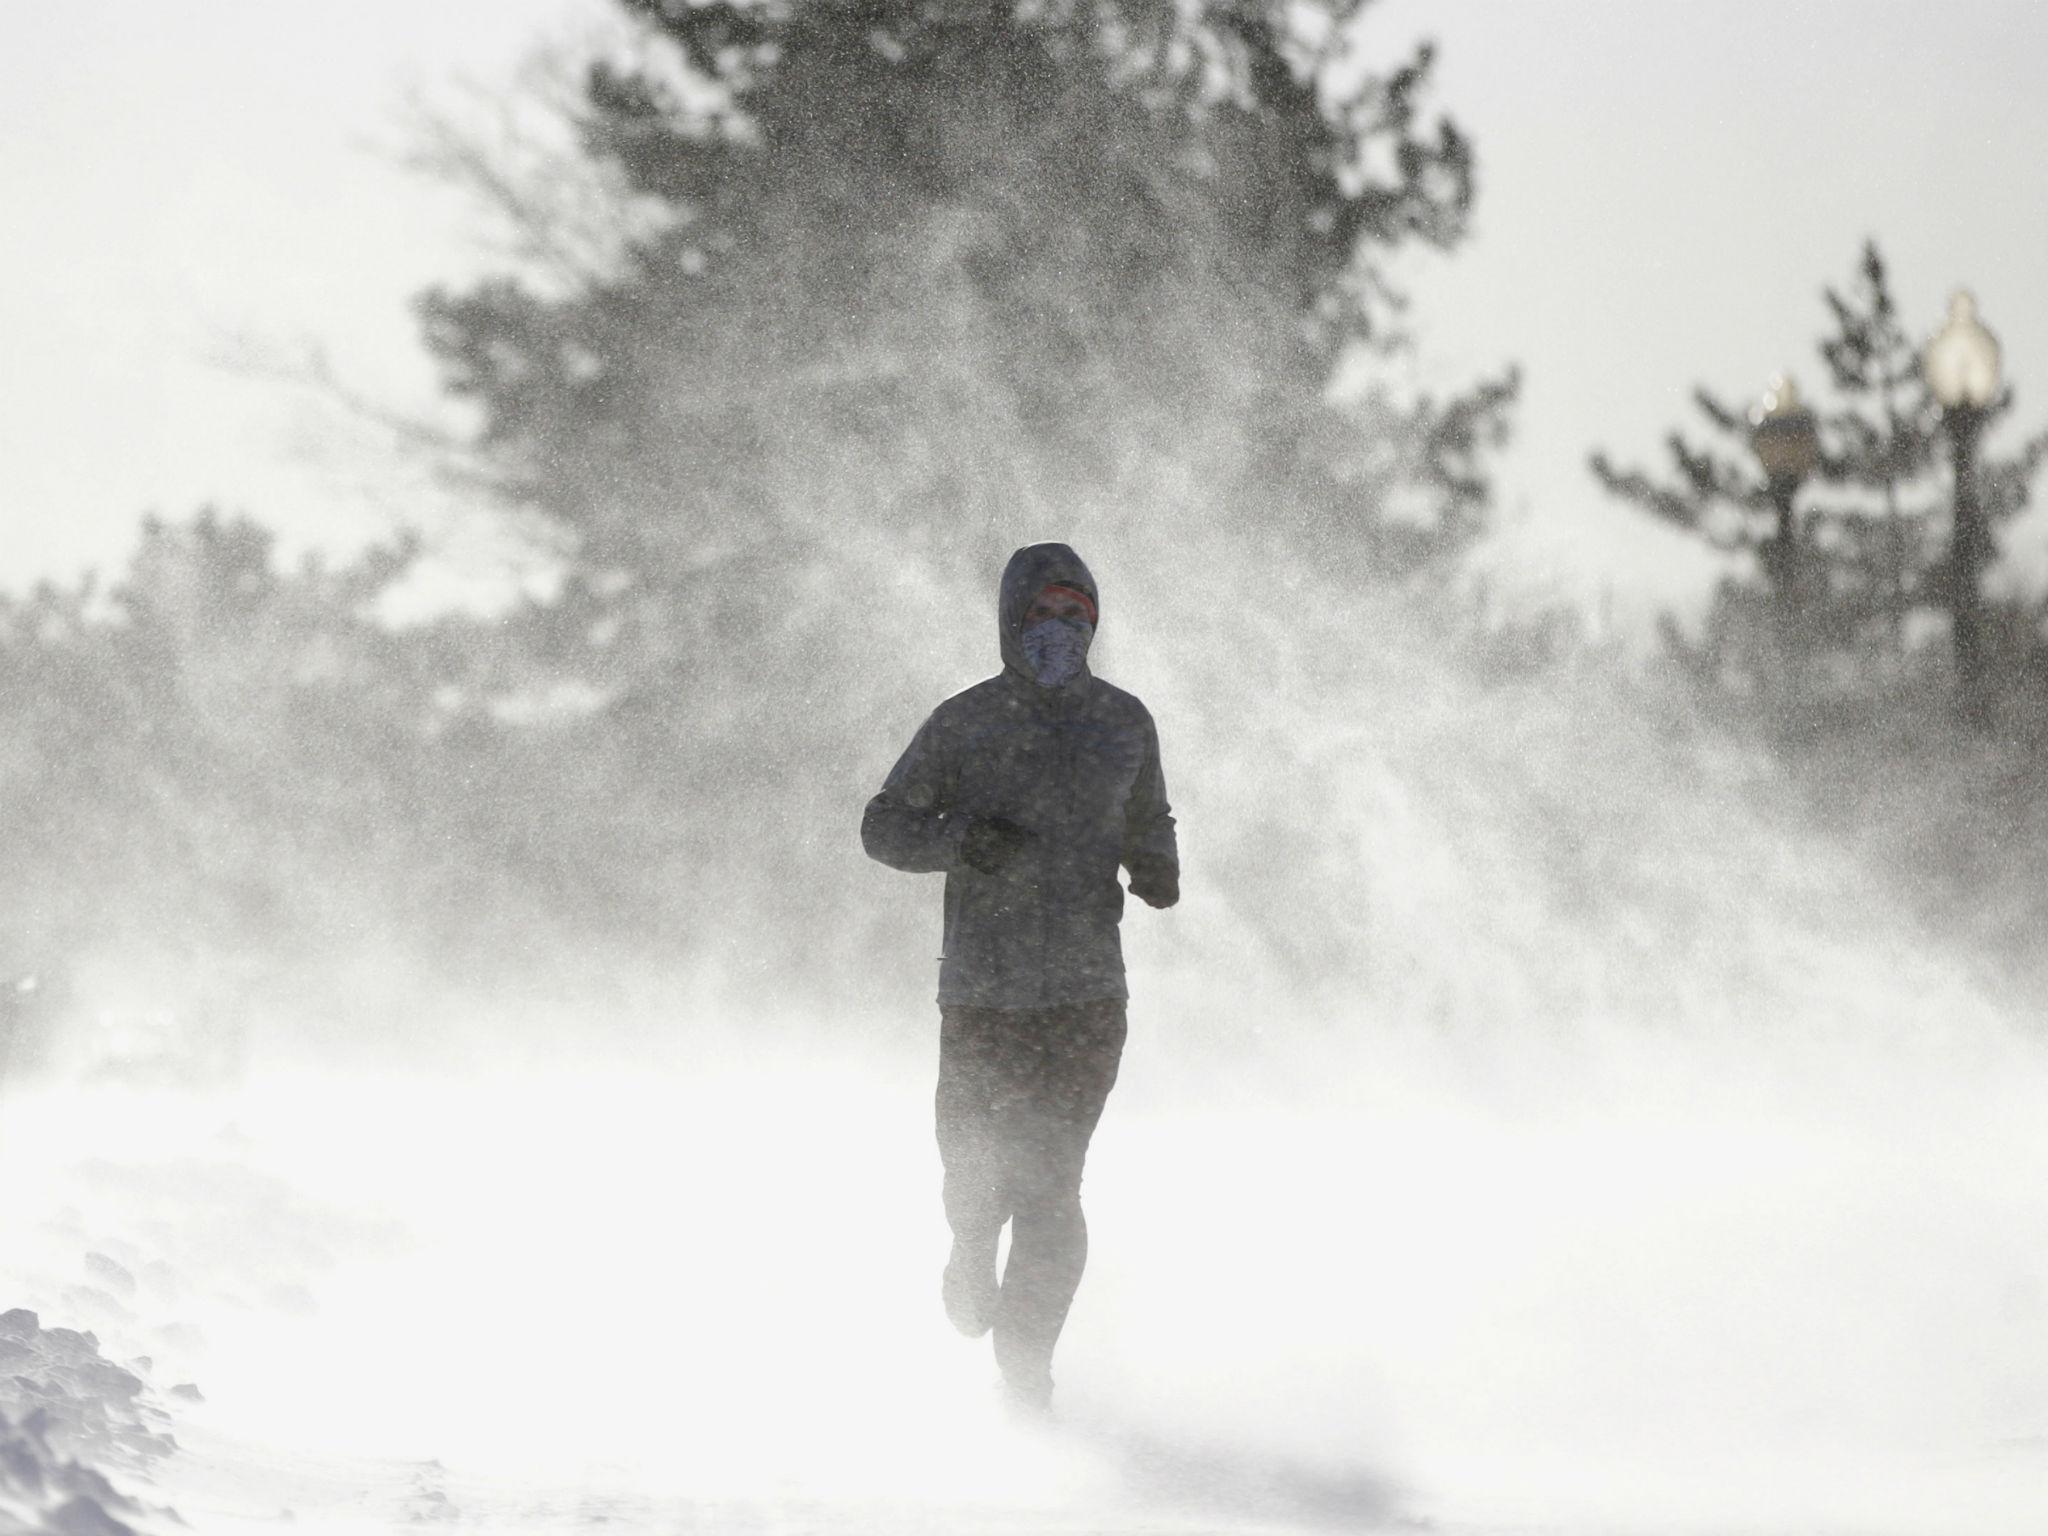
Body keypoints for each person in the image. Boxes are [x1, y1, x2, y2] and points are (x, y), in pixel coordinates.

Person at [861, 542, 1179, 1413]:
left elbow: (1147, 815)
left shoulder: (1124, 722)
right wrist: (959, 836)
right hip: (981, 999)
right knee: (976, 1176)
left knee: (1051, 1185)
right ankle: (969, 1245)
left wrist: (1158, 865)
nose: (1060, 630)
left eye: (1076, 615)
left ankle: (1027, 1368)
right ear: (1011, 622)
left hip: (1085, 1001)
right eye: (1043, 614)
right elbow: (883, 826)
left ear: (1095, 625)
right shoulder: (964, 724)